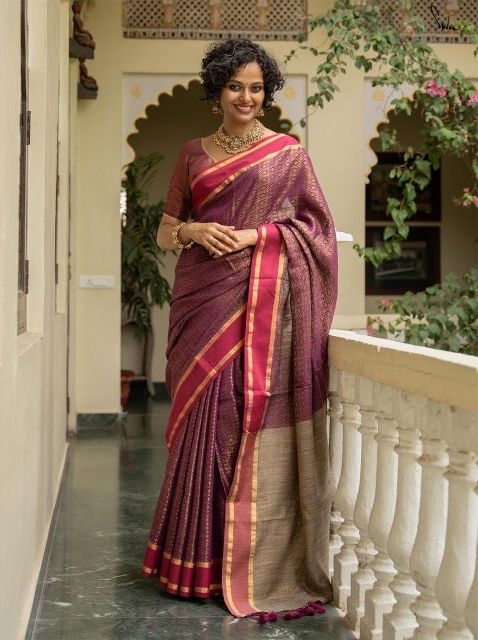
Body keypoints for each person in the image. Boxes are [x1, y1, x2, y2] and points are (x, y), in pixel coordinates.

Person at [141, 38, 339, 619]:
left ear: (266, 93)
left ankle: (246, 562)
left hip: (259, 305)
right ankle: (192, 563)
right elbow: (165, 231)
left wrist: (258, 236)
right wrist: (194, 231)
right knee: (198, 419)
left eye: (256, 88)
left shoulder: (288, 155)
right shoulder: (191, 155)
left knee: (234, 415)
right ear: (216, 92)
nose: (246, 97)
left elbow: (318, 231)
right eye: (235, 87)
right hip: (200, 299)